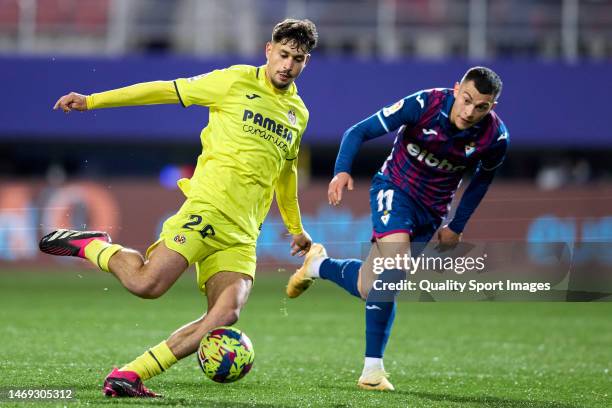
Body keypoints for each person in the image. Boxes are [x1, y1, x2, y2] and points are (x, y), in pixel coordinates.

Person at [40, 18, 318, 398]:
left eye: (298, 59)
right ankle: (93, 245)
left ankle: (130, 374)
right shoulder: (234, 81)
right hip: (207, 208)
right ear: (269, 50)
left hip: (242, 233)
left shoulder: (298, 114)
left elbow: (285, 175)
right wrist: (92, 101)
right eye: (283, 54)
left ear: (306, 63)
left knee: (227, 313)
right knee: (146, 284)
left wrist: (296, 227)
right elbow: (164, 90)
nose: (288, 64)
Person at [286, 66, 509, 391]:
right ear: (456, 88)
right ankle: (372, 371)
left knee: (369, 286)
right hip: (395, 189)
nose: (470, 111)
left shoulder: (494, 137)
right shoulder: (424, 105)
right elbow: (357, 131)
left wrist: (457, 225)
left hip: (431, 212)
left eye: (481, 107)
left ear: (492, 108)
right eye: (466, 99)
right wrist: (341, 171)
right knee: (393, 268)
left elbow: (482, 179)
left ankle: (317, 265)